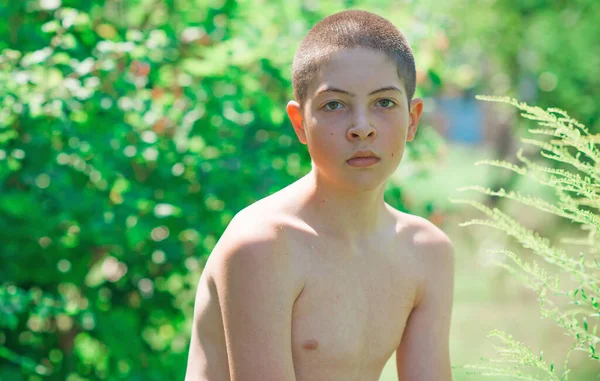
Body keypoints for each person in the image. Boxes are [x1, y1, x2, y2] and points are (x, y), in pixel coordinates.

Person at [184, 9, 454, 381]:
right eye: (334, 105)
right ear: (299, 123)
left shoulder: (426, 251)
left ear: (412, 119)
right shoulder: (263, 245)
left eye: (384, 103)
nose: (362, 128)